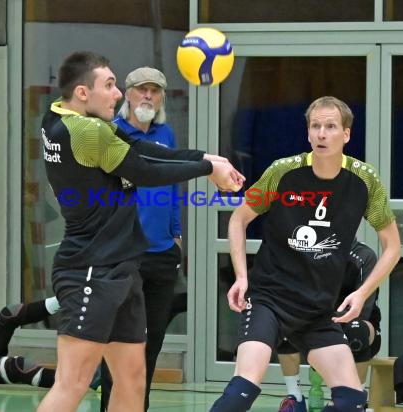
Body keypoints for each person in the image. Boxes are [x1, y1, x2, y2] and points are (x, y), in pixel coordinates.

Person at [36, 51, 244, 412]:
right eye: (110, 85)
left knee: (132, 380)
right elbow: (143, 170)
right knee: (73, 383)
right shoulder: (86, 131)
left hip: (122, 267)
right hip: (92, 268)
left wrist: (208, 159)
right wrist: (206, 170)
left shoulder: (59, 113)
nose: (117, 94)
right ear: (83, 93)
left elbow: (138, 147)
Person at [210, 95, 401, 412]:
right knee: (242, 390)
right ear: (308, 133)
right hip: (270, 300)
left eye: (330, 126)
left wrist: (362, 292)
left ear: (346, 134)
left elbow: (393, 246)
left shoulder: (365, 180)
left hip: (317, 309)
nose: (322, 134)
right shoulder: (282, 172)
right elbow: (239, 219)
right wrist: (242, 277)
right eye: (315, 126)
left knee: (352, 403)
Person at [98, 66, 183, 411]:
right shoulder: (111, 133)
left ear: (161, 98)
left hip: (162, 255)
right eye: (141, 90)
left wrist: (176, 233)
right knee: (119, 343)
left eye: (155, 91)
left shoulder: (167, 135)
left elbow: (174, 186)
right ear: (127, 95)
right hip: (123, 256)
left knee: (151, 344)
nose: (148, 96)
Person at [276, 240, 381, 412]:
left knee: (356, 332)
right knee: (286, 323)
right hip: (318, 317)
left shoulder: (364, 255)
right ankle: (294, 397)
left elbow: (362, 310)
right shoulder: (312, 250)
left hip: (354, 318)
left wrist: (330, 321)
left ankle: (357, 400)